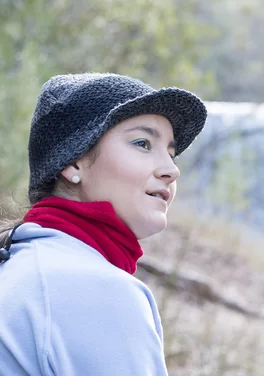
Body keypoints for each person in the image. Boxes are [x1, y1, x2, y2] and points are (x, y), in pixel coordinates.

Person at [0, 73, 207, 375]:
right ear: (73, 163)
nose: (171, 170)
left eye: (171, 153)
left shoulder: (23, 262)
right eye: (143, 143)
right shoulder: (92, 288)